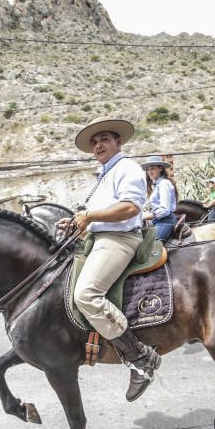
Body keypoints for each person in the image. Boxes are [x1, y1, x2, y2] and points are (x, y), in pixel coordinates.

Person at [57, 117, 161, 402]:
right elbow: (97, 216)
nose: (98, 145)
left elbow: (129, 207)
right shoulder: (103, 175)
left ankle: (139, 357)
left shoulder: (127, 168)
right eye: (94, 142)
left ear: (119, 142)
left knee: (87, 294)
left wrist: (89, 216)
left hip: (119, 240)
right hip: (98, 239)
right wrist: (78, 221)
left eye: (103, 139)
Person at [141, 155, 178, 241]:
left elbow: (165, 210)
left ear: (160, 169)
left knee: (151, 247)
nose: (149, 172)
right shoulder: (156, 185)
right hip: (158, 221)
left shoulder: (163, 184)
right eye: (148, 169)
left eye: (152, 168)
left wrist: (145, 217)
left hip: (165, 221)